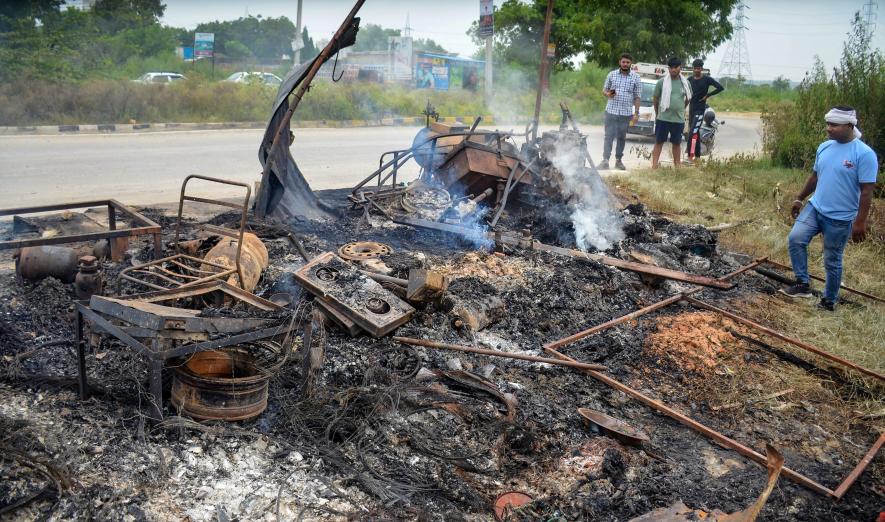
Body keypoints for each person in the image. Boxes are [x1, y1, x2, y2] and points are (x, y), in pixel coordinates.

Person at [779, 106, 878, 311]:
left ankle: (829, 301)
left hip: (840, 218)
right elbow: (815, 176)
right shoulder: (825, 147)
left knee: (832, 260)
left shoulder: (864, 154)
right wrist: (799, 198)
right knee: (795, 239)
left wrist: (860, 222)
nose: (828, 128)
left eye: (834, 125)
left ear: (850, 126)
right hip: (815, 208)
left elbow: (867, 192)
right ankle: (802, 284)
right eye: (828, 124)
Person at [599, 53, 641, 171]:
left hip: (626, 113)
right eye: (623, 62)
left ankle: (618, 161)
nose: (625, 64)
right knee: (608, 136)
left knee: (621, 137)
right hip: (611, 111)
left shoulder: (636, 78)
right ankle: (605, 161)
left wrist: (636, 113)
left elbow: (637, 97)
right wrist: (608, 94)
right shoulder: (611, 75)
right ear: (620, 62)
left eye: (628, 62)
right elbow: (604, 90)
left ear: (630, 63)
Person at [651, 57, 691, 169]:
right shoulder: (661, 82)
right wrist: (658, 112)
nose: (673, 70)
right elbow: (655, 99)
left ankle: (677, 167)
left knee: (677, 143)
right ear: (668, 68)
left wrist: (681, 108)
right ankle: (654, 166)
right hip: (663, 118)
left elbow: (688, 98)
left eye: (676, 67)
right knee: (659, 142)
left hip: (678, 119)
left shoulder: (685, 83)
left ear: (680, 68)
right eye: (671, 67)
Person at [686, 58, 723, 160]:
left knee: (693, 131)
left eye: (699, 68)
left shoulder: (707, 79)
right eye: (695, 68)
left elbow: (720, 87)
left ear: (701, 69)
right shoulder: (689, 80)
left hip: (700, 109)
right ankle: (697, 156)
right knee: (694, 132)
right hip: (691, 108)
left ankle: (690, 155)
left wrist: (708, 95)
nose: (697, 70)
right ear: (693, 69)